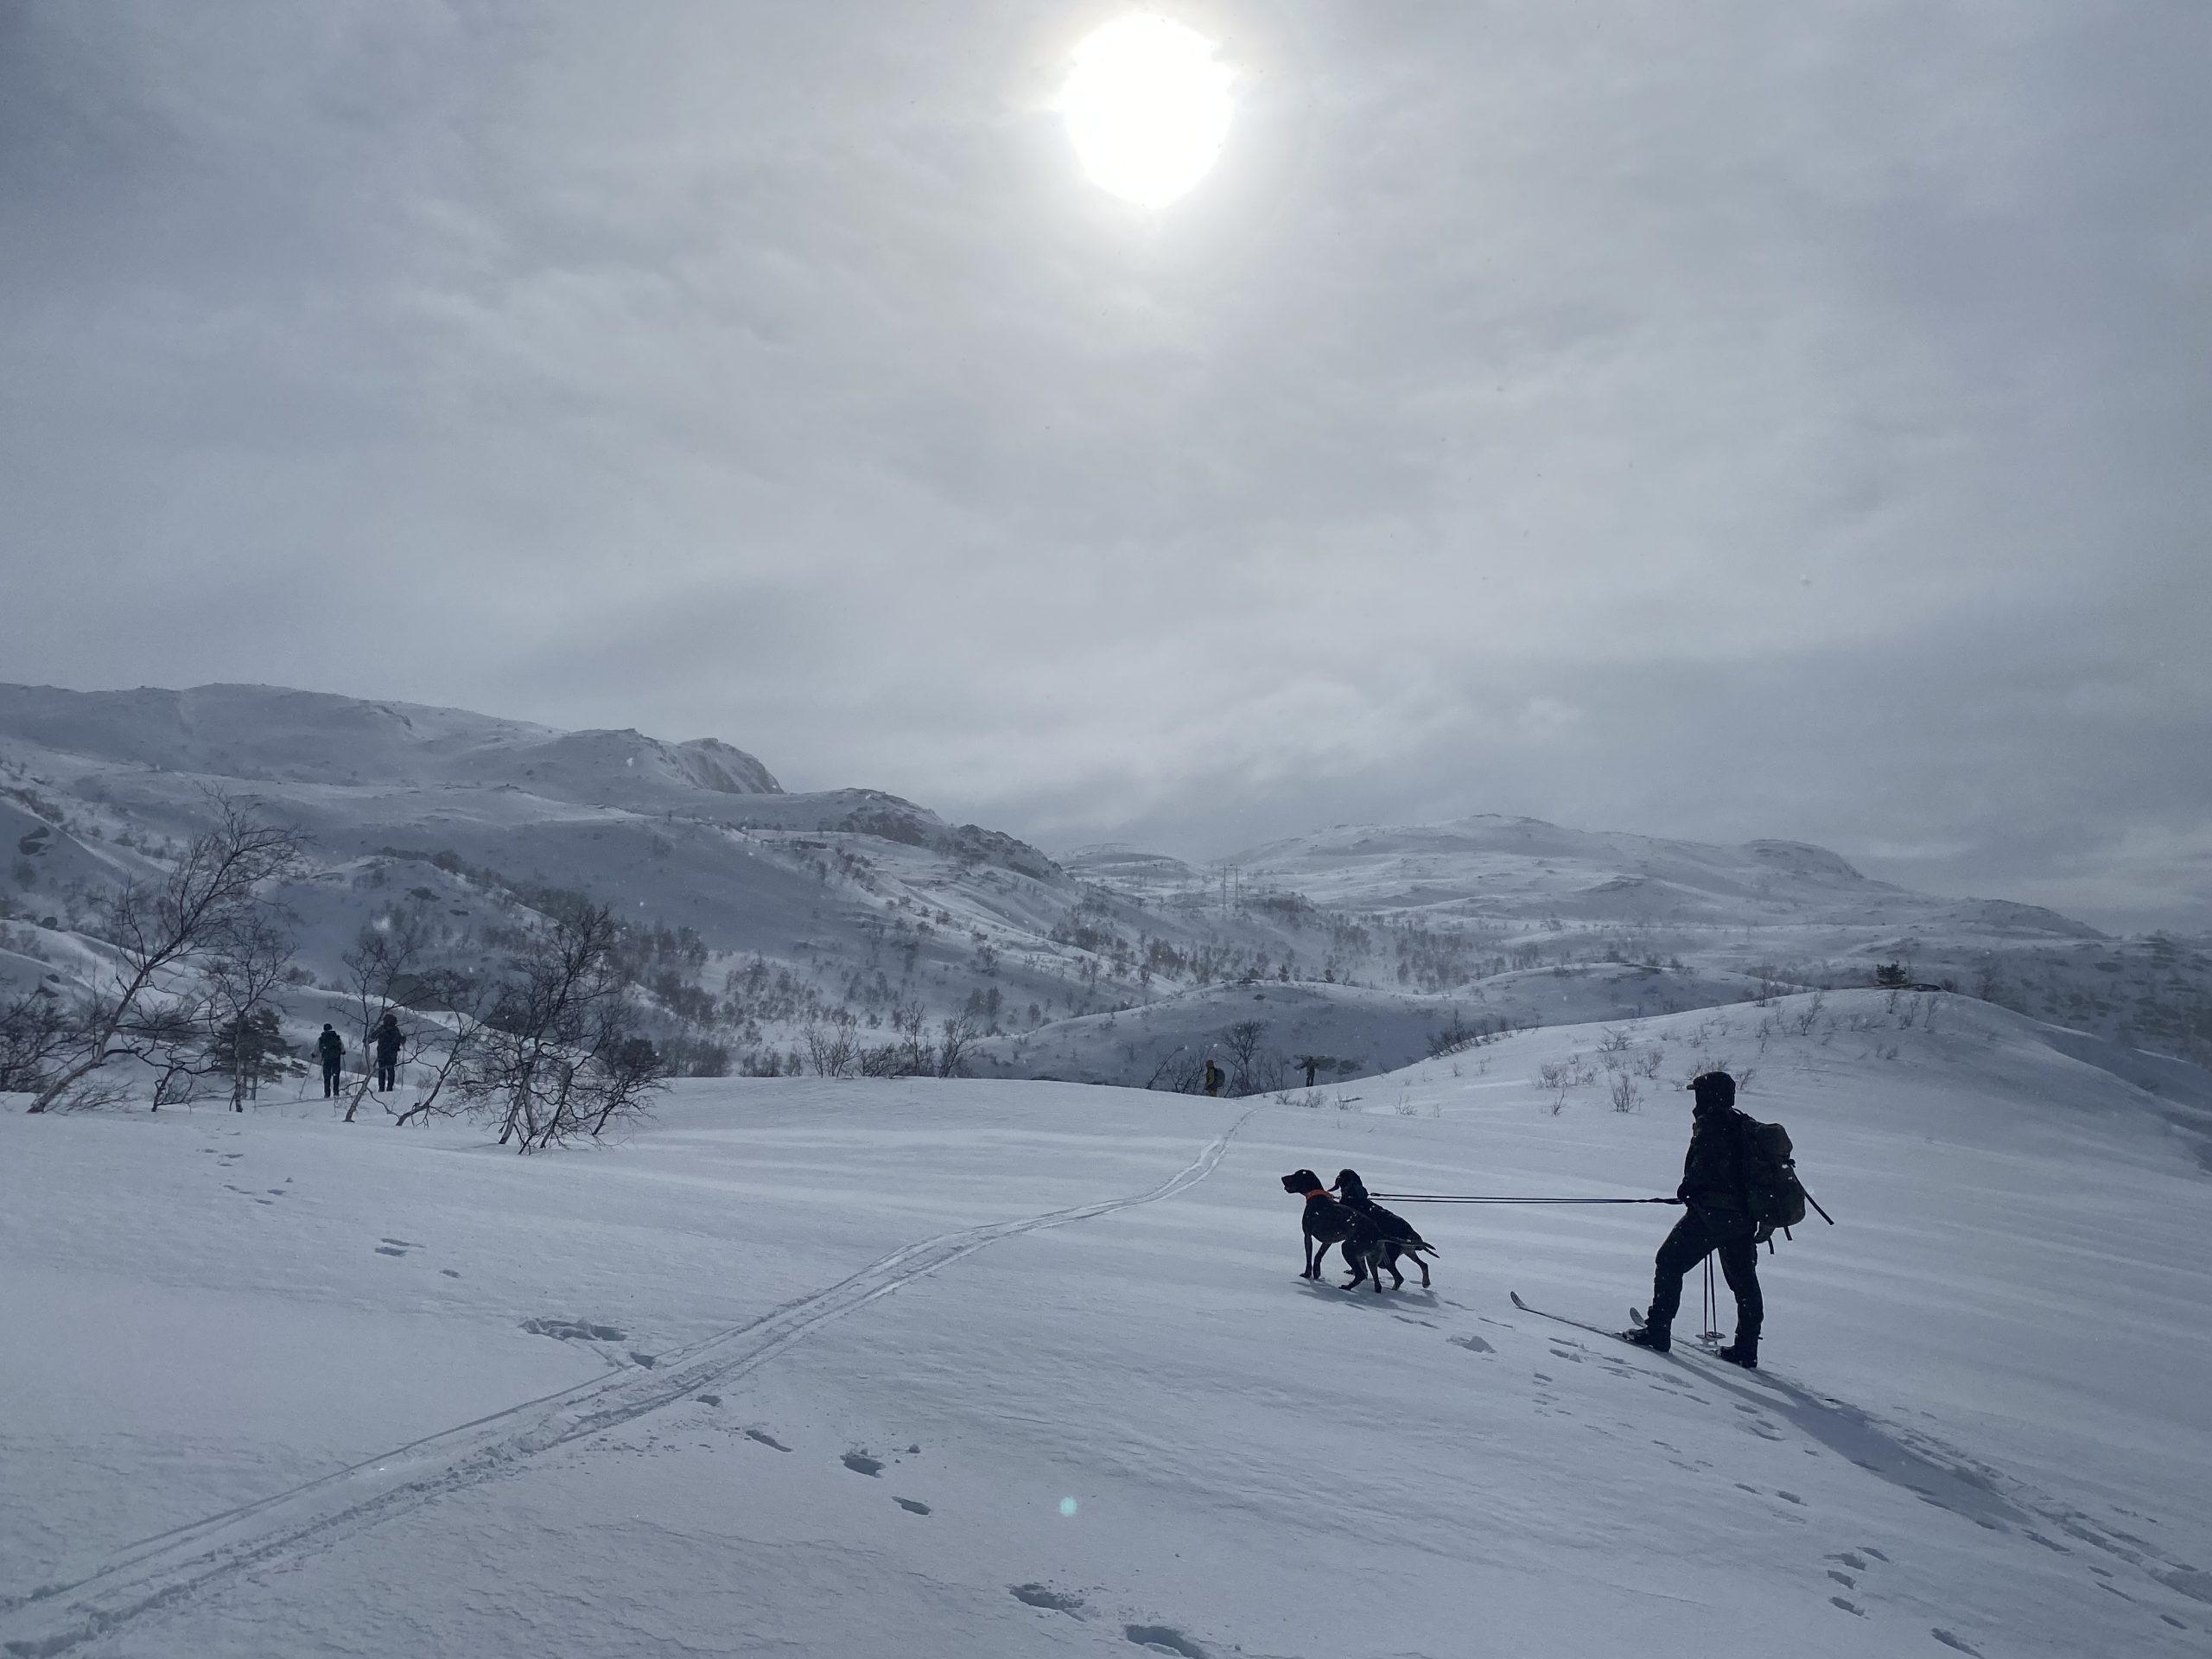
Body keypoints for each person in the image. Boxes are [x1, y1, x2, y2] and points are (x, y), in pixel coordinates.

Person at [1623, 1070, 1764, 1369]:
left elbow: (1700, 1175)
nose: (1694, 1102)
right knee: (1744, 1283)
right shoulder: (1745, 1124)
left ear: (1708, 1096)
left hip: (1711, 1216)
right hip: (1743, 1219)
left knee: (1668, 1262)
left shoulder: (1712, 1126)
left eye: (1697, 1094)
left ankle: (1658, 1330)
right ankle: (1746, 1348)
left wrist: (1688, 1190)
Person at [372, 1011, 403, 1092]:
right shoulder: (396, 1030)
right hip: (392, 1054)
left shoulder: (382, 1028)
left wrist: (366, 1040)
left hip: (382, 1053)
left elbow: (372, 1038)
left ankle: (381, 1088)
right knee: (391, 1070)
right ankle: (389, 1088)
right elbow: (401, 1040)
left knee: (381, 1070)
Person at [317, 1023, 346, 1098]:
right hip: (336, 1059)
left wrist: (314, 1054)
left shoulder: (322, 1038)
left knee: (327, 1076)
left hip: (327, 1059)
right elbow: (342, 1048)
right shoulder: (336, 1037)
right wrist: (343, 1052)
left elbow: (317, 1049)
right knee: (336, 1075)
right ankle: (336, 1093)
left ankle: (327, 1094)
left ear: (324, 1029)